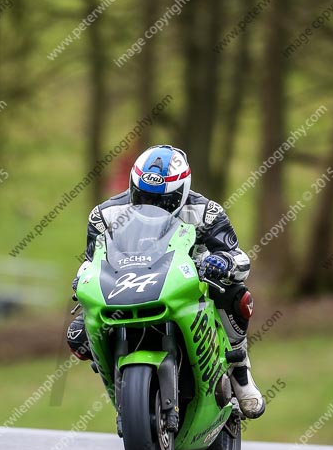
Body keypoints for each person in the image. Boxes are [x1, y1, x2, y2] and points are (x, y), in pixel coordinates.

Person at [67, 145, 265, 419]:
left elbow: (238, 257)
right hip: (125, 285)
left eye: (163, 200)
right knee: (78, 334)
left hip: (189, 284)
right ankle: (121, 384)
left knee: (236, 294)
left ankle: (239, 369)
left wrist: (223, 262)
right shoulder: (105, 215)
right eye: (144, 196)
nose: (152, 206)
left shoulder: (206, 211)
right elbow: (92, 260)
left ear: (183, 191)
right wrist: (82, 280)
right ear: (133, 186)